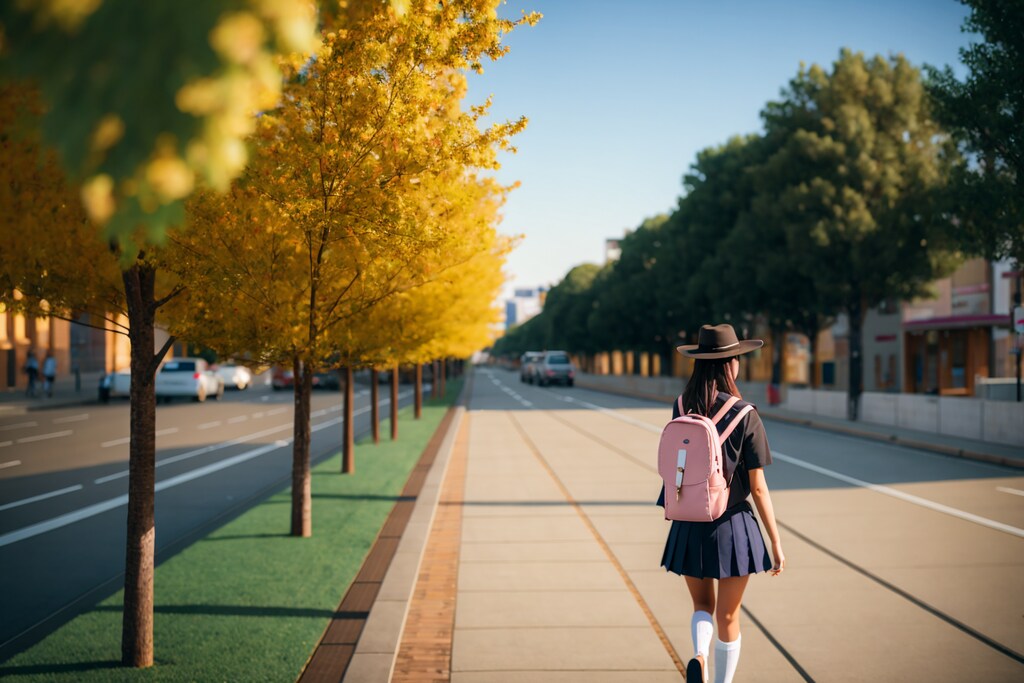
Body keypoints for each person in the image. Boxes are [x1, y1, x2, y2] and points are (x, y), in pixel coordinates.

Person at [658, 324, 785, 683]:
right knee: (728, 616)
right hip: (733, 526)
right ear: (731, 363)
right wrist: (775, 541)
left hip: (688, 520)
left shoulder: (681, 405)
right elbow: (758, 487)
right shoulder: (746, 414)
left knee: (702, 606)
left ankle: (699, 653)